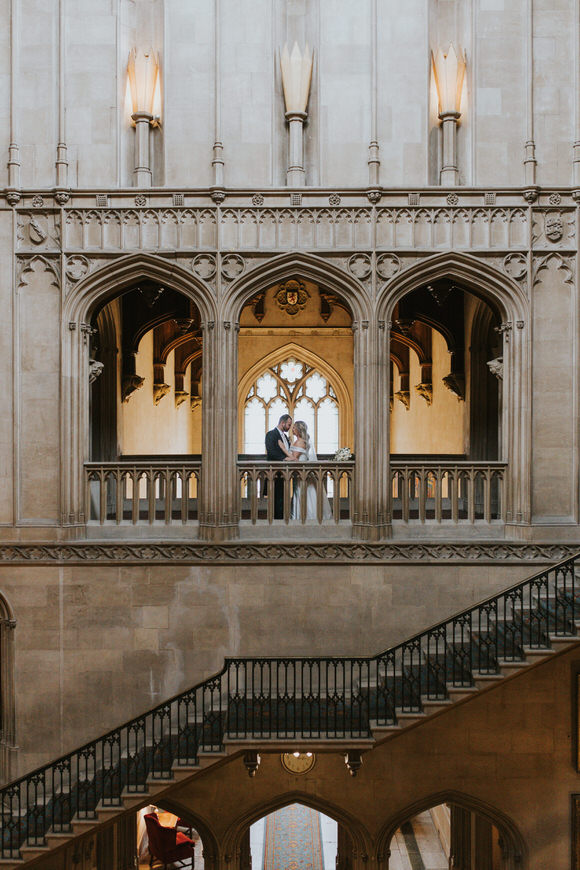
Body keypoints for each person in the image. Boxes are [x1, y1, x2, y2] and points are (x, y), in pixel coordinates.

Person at [278, 420, 332, 520]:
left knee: (304, 493)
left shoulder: (300, 442)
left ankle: (304, 516)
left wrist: (283, 450)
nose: (292, 429)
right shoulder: (300, 441)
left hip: (301, 473)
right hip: (299, 473)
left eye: (294, 427)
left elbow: (294, 458)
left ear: (298, 430)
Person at [265, 414, 296, 519]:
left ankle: (283, 518)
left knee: (283, 497)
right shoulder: (271, 434)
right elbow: (271, 451)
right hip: (275, 471)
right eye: (288, 424)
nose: (290, 427)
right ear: (282, 423)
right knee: (276, 498)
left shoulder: (285, 437)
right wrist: (284, 459)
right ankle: (277, 521)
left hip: (285, 472)